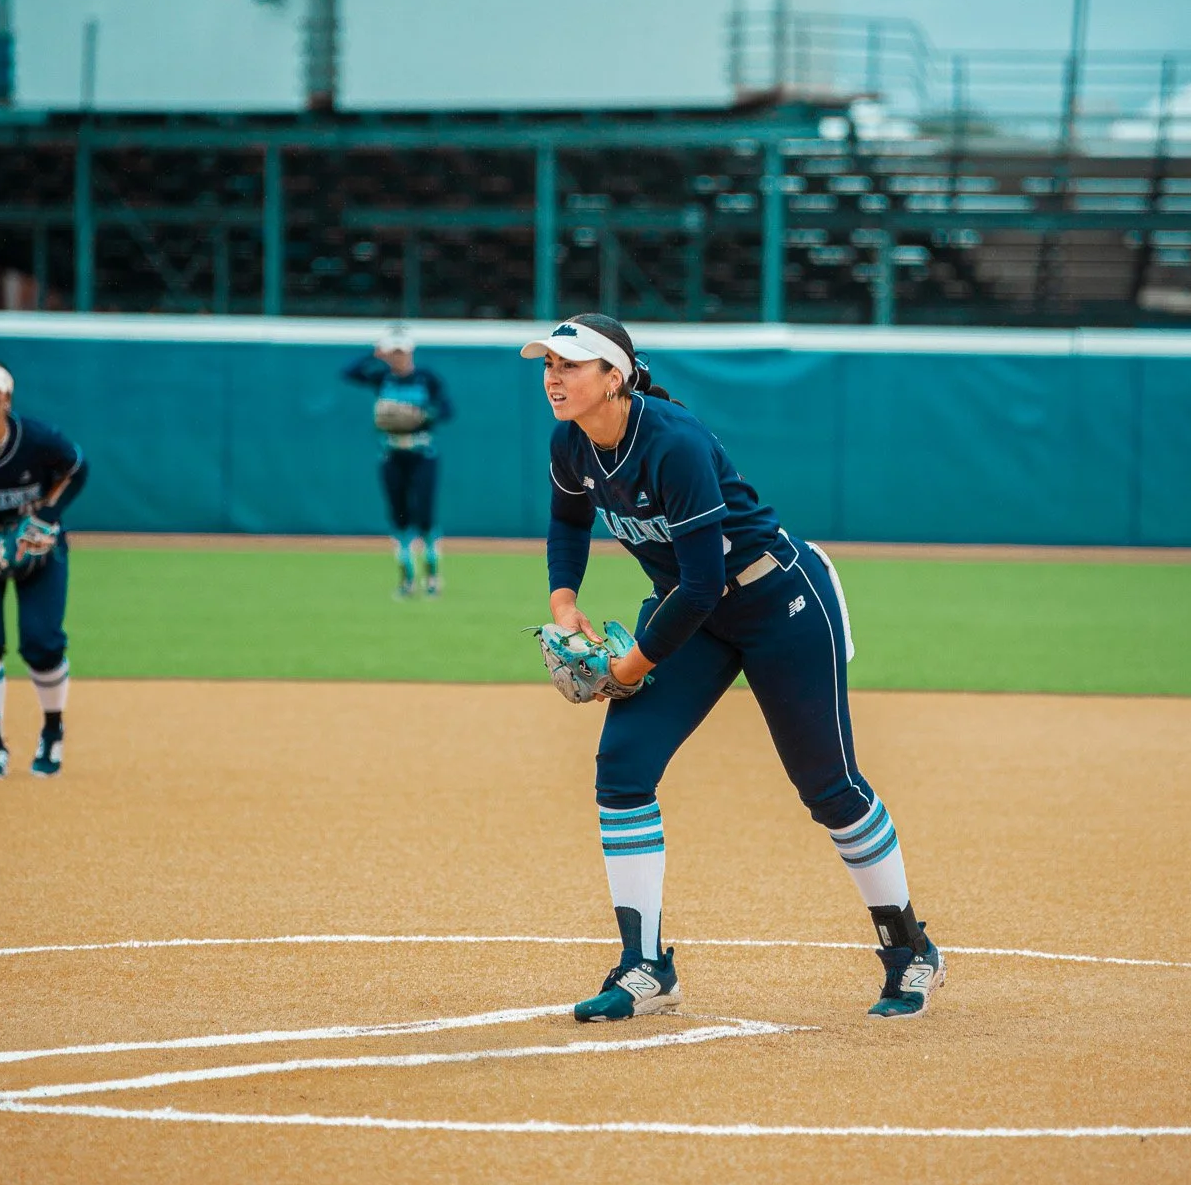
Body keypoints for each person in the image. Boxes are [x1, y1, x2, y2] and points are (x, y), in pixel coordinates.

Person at [522, 312, 945, 1023]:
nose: (553, 378)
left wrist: (628, 666)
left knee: (829, 788)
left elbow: (700, 584)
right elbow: (569, 523)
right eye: (547, 366)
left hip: (779, 600)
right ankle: (645, 969)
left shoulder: (672, 442)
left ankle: (910, 953)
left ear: (615, 376)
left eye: (569, 365)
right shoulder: (571, 444)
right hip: (694, 610)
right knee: (622, 770)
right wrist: (564, 602)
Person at [0, 357, 87, 779]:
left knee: (42, 644)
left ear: (7, 401)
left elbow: (77, 466)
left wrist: (48, 517)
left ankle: (52, 732)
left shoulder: (37, 439)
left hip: (39, 545)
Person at [343, 330, 453, 597]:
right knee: (399, 514)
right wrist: (373, 354)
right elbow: (349, 373)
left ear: (410, 352)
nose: (397, 358)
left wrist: (423, 415)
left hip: (421, 452)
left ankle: (432, 573)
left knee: (425, 515)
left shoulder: (426, 379)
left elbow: (447, 410)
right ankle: (406, 577)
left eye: (401, 352)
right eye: (392, 353)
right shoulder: (382, 377)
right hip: (392, 453)